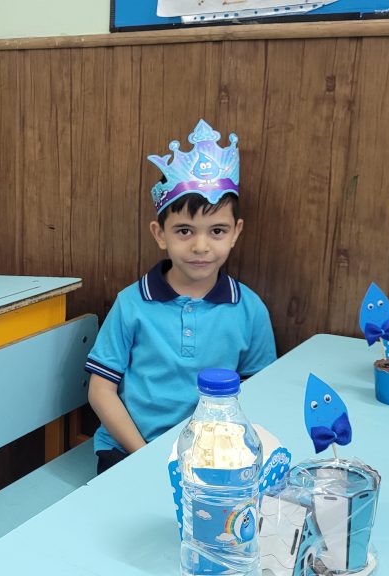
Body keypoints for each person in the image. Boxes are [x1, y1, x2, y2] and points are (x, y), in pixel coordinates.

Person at [86, 119, 277, 474]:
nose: (201, 246)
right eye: (184, 231)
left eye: (217, 230)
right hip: (128, 450)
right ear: (160, 234)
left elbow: (260, 391)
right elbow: (100, 390)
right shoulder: (131, 304)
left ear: (235, 233)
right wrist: (144, 456)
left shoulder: (250, 309)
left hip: (213, 459)